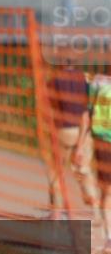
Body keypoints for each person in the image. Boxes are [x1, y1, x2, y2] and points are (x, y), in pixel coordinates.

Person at [48, 65, 98, 220]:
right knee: (84, 172)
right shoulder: (86, 79)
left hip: (64, 131)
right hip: (84, 130)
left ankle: (55, 216)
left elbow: (52, 111)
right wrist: (81, 144)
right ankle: (97, 214)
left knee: (57, 174)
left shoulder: (53, 81)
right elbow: (87, 112)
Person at [81, 73, 111, 254]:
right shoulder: (98, 82)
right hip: (104, 142)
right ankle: (109, 239)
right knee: (107, 191)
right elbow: (88, 111)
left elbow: (88, 112)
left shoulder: (97, 81)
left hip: (103, 141)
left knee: (107, 192)